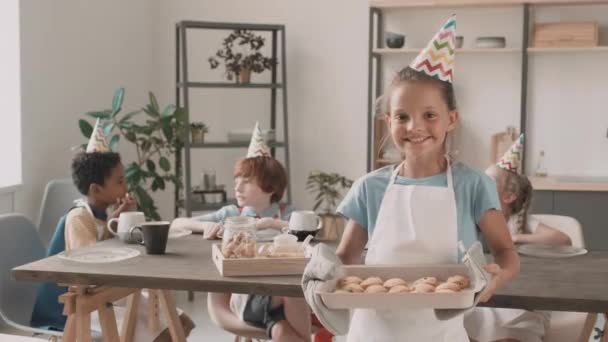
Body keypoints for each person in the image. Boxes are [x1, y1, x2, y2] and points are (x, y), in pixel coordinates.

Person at [312, 16, 520, 341]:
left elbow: (506, 252)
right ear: (388, 121)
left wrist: (498, 276)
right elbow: (345, 259)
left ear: (451, 119)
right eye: (402, 117)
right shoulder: (369, 187)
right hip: (373, 331)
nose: (415, 127)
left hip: (441, 333)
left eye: (429, 115)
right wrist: (320, 272)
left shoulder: (473, 185)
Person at [31, 119, 194, 341]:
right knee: (158, 331)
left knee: (179, 322)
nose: (126, 187)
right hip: (81, 304)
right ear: (96, 189)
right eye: (120, 181)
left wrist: (122, 222)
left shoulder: (105, 214)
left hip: (109, 293)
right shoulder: (79, 217)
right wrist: (114, 223)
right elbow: (90, 266)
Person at [173, 123, 311, 341]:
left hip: (279, 291)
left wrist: (273, 224)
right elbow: (177, 223)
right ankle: (279, 328)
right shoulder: (231, 214)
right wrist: (205, 226)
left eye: (246, 182)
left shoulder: (287, 214)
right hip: (244, 295)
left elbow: (310, 233)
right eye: (236, 182)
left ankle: (277, 327)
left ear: (272, 188)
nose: (237, 188)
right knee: (293, 294)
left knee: (292, 291)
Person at [464, 135, 570, 342]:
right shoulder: (474, 219)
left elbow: (562, 239)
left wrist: (515, 237)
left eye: (489, 182)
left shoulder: (519, 222)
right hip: (487, 301)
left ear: (509, 195)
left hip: (521, 305)